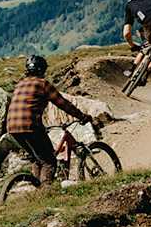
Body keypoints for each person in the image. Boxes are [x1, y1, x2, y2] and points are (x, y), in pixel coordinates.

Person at [6, 55, 93, 185]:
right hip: (30, 125)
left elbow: (26, 106)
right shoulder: (43, 84)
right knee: (49, 161)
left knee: (37, 159)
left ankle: (37, 187)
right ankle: (46, 191)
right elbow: (63, 103)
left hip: (12, 127)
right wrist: (82, 116)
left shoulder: (20, 84)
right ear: (42, 70)